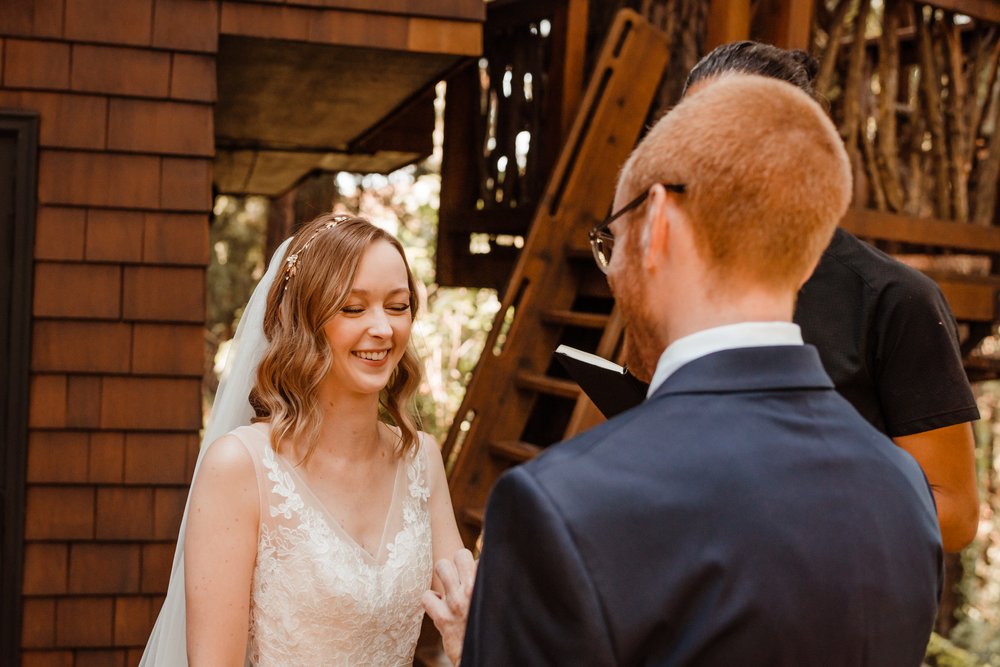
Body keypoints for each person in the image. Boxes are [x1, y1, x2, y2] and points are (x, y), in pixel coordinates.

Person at [426, 76, 942, 666]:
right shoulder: (902, 486)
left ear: (660, 224)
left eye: (611, 239)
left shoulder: (560, 504)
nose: (611, 268)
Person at [684, 40, 980, 553]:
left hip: (842, 602)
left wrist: (791, 501)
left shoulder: (897, 300)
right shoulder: (692, 278)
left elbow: (953, 515)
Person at [141, 213, 464, 665]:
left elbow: (468, 615)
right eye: (353, 308)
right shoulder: (240, 467)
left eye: (398, 306)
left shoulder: (420, 459)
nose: (384, 329)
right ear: (305, 323)